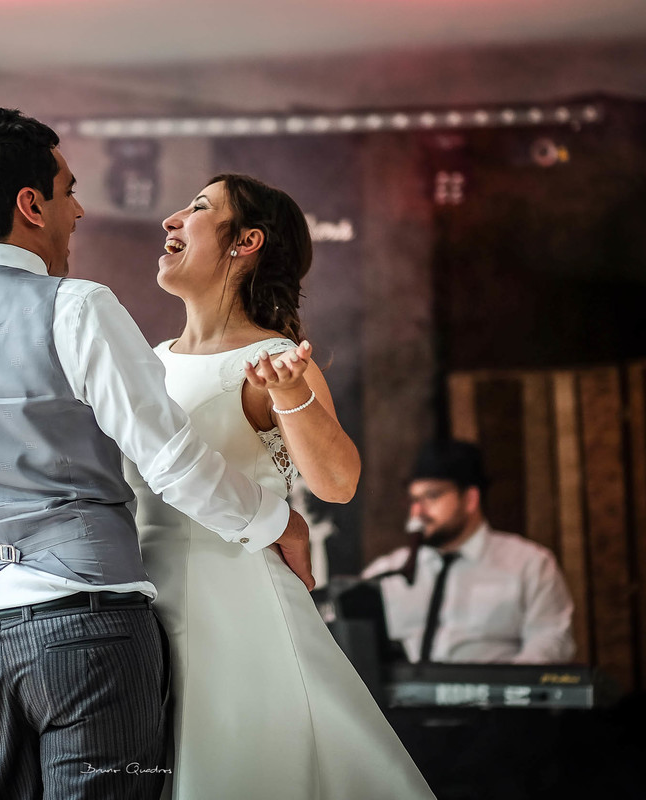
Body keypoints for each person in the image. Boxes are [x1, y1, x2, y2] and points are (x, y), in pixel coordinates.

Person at [0, 108, 313, 800]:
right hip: (88, 634)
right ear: (31, 206)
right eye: (69, 191)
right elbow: (169, 460)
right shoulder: (77, 307)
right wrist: (275, 521)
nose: (78, 211)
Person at [126, 173, 435, 799]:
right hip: (143, 612)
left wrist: (291, 393)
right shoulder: (146, 360)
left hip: (236, 611)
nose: (171, 220)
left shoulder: (274, 361)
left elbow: (338, 483)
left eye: (198, 208)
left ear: (246, 242)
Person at [362, 439, 576, 664]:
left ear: (470, 499)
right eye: (414, 499)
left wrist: (504, 684)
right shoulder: (385, 573)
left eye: (432, 496)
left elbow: (550, 641)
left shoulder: (529, 565)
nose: (417, 512)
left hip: (493, 685)